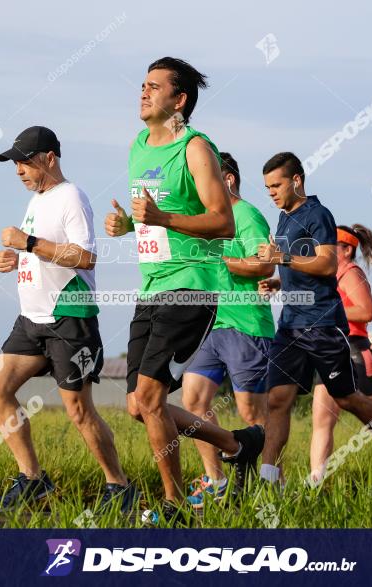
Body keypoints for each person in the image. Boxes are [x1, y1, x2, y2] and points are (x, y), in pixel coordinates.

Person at [105, 57, 264, 525]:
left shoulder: (195, 148)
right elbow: (149, 215)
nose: (143, 92)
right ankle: (238, 444)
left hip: (192, 286)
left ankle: (174, 508)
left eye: (154, 87)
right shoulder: (138, 146)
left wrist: (161, 219)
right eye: (142, 84)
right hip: (152, 287)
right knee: (138, 405)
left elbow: (222, 220)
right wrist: (127, 224)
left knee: (152, 398)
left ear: (179, 100)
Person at [0, 125, 137, 513]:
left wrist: (29, 244)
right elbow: (39, 253)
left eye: (25, 162)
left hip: (69, 317)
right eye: (15, 164)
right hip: (30, 319)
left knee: (79, 410)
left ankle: (118, 486)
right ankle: (33, 479)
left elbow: (85, 257)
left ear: (49, 158)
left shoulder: (71, 196)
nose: (19, 170)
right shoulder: (37, 201)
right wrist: (14, 258)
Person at [256, 152, 372, 491]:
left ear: (296, 180)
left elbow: (327, 265)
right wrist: (279, 281)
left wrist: (281, 257)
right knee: (277, 400)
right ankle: (268, 481)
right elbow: (299, 268)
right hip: (290, 326)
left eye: (277, 185)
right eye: (267, 187)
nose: (271, 192)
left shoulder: (318, 215)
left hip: (322, 325)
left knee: (346, 399)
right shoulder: (284, 219)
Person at [181, 152, 275, 508]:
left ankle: (260, 485)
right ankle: (215, 478)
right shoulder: (205, 222)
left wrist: (226, 262)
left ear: (229, 180)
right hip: (211, 324)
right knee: (192, 401)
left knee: (251, 412)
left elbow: (264, 265)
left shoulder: (247, 216)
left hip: (247, 324)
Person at [309, 224, 372, 486]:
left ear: (345, 249)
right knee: (321, 422)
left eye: (328, 244)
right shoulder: (328, 275)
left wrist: (327, 313)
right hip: (331, 351)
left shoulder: (351, 273)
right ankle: (317, 484)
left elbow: (366, 311)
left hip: (356, 350)